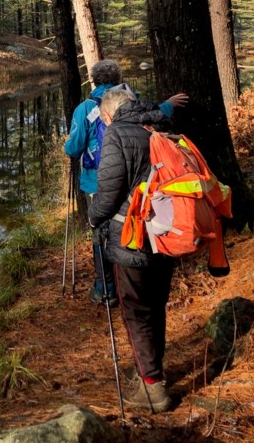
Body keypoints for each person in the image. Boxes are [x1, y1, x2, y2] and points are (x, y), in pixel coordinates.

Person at [63, 60, 187, 306]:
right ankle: (132, 281)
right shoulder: (130, 99)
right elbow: (152, 114)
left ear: (95, 80)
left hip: (97, 182)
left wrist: (68, 145)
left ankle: (105, 289)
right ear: (118, 77)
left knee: (101, 232)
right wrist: (169, 105)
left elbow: (74, 148)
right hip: (134, 178)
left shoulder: (85, 108)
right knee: (129, 226)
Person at [88, 87, 177, 414]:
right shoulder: (161, 126)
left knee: (136, 311)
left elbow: (109, 192)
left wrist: (93, 215)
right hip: (167, 235)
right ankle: (151, 374)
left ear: (109, 114)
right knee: (156, 307)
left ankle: (153, 389)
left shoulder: (116, 134)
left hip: (133, 237)